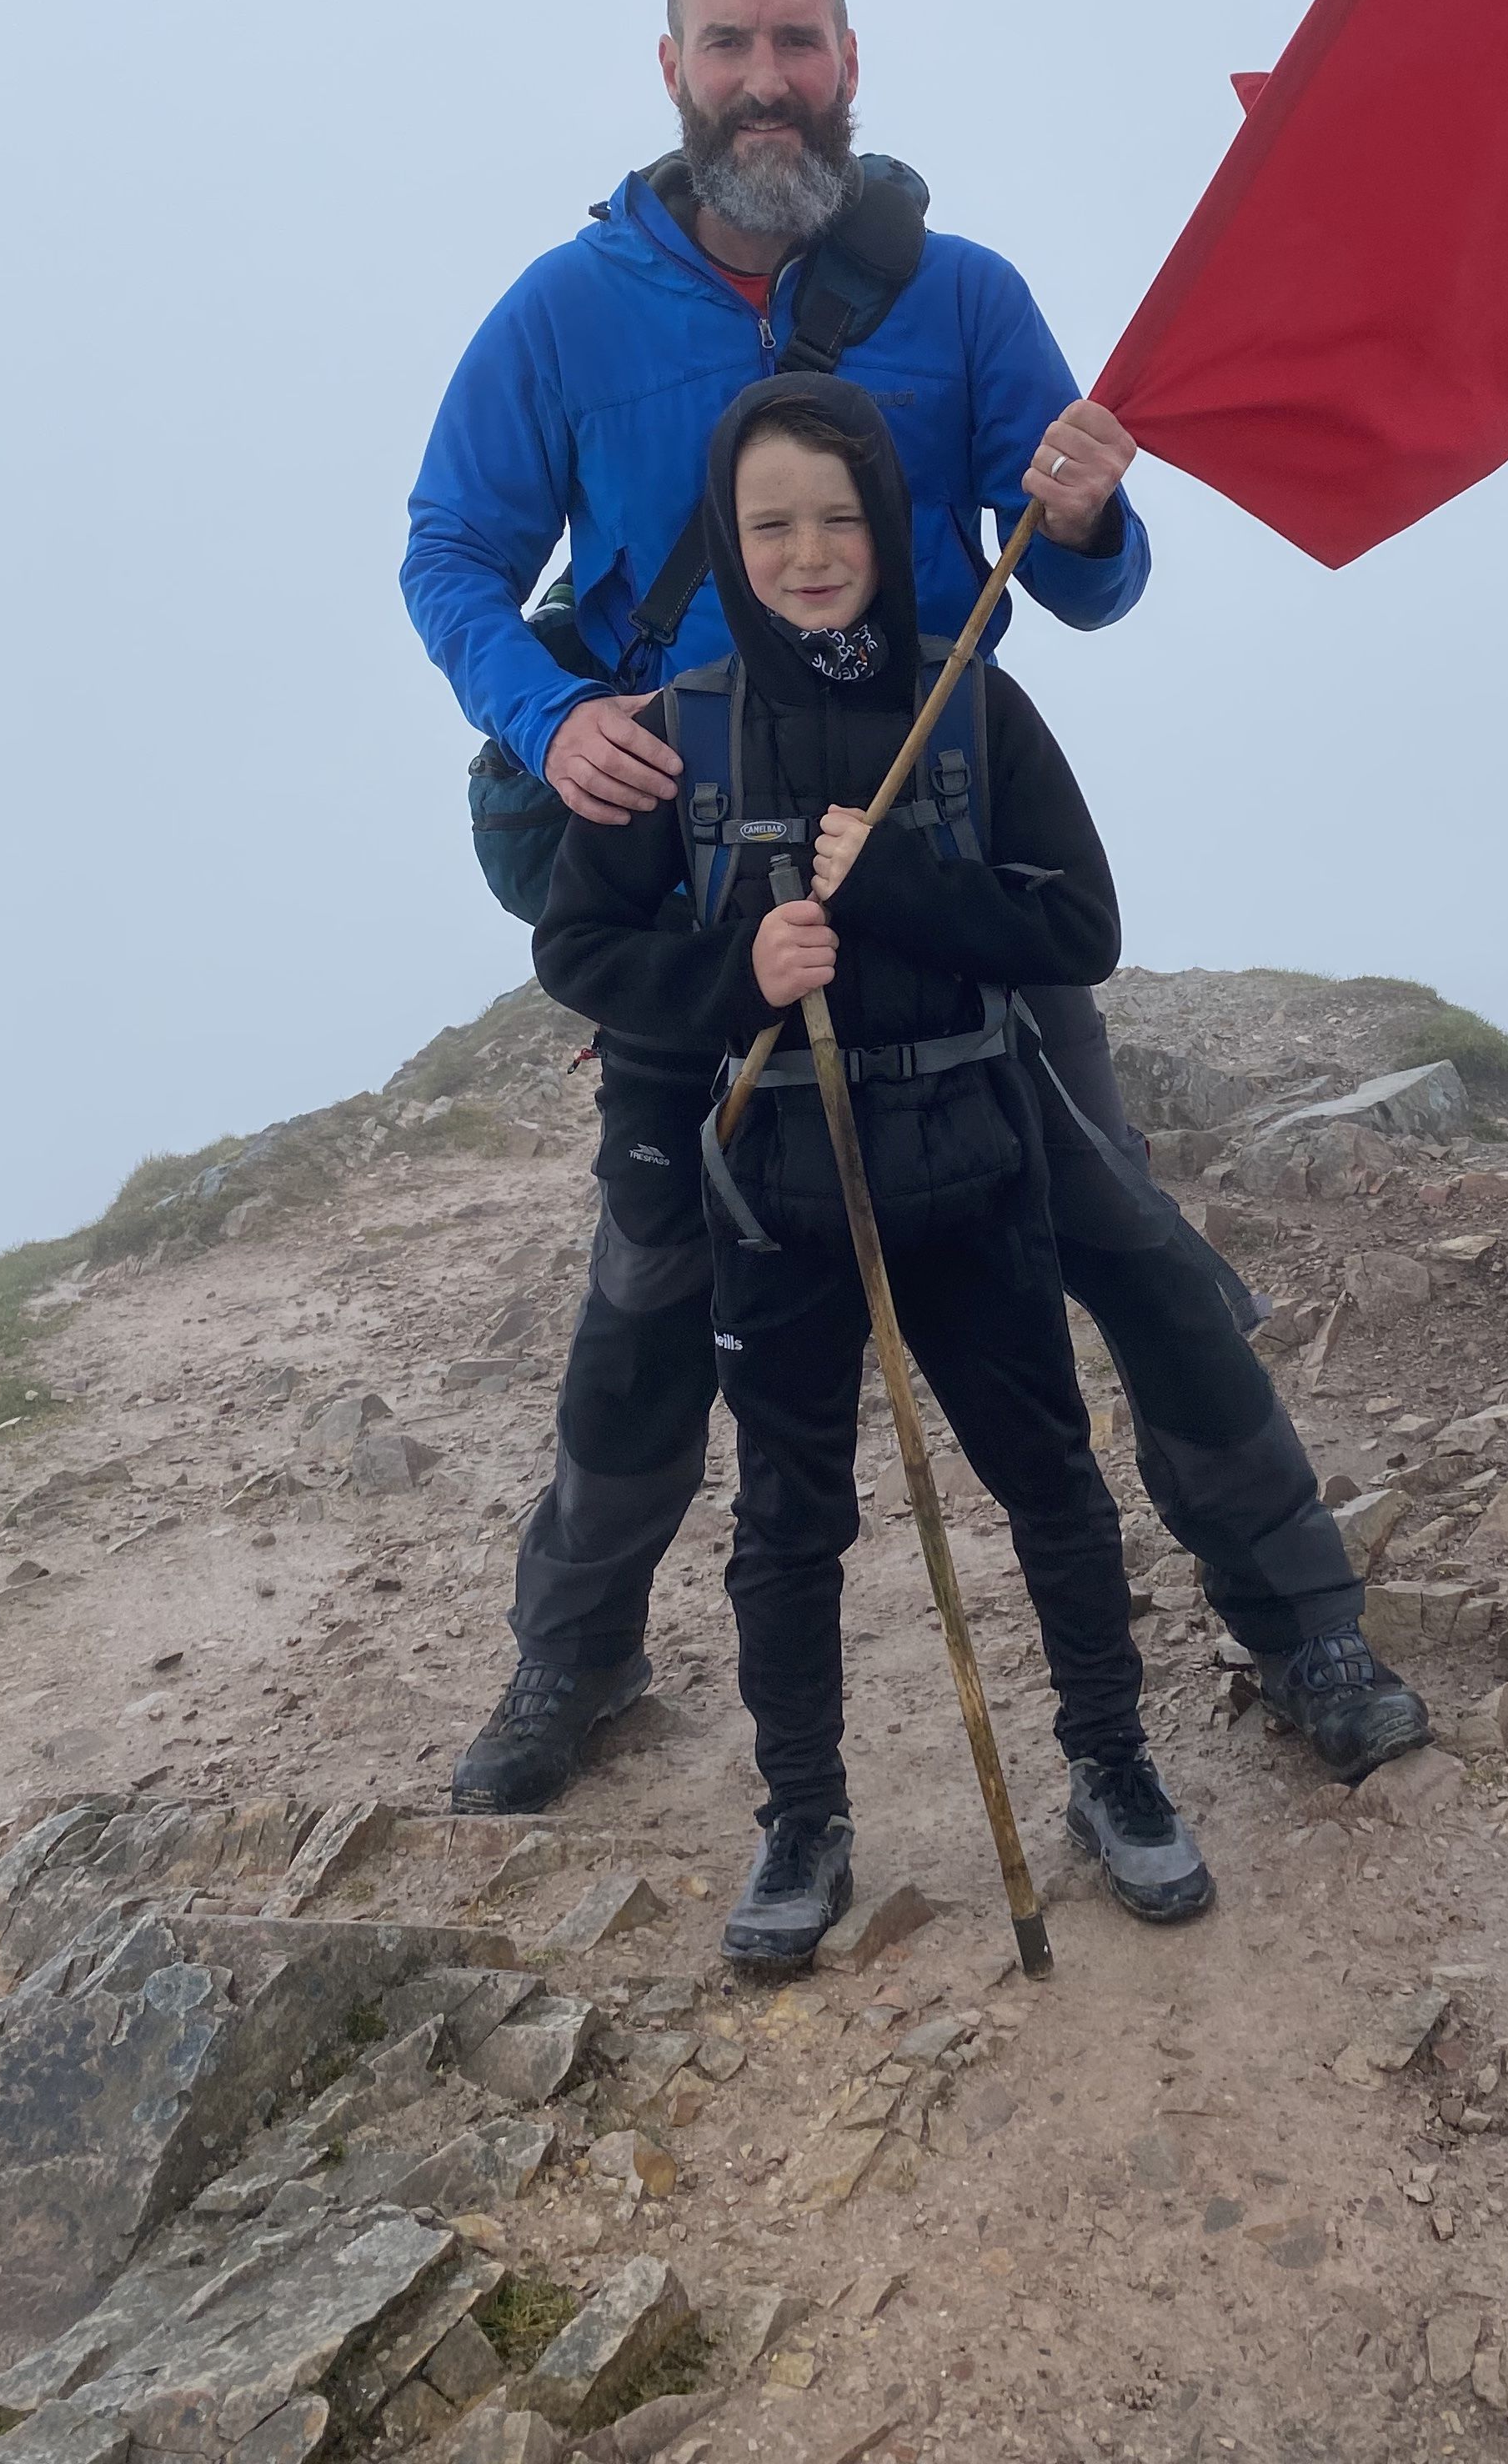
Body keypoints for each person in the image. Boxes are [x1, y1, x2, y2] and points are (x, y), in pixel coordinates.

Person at [403, 0, 1426, 1815]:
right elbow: (448, 552)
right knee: (649, 1304)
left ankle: (1305, 1630)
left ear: (851, 63)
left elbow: (1096, 578)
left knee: (1126, 1249)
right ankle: (575, 1664)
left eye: (801, 45)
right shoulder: (564, 315)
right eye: (732, 48)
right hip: (708, 903)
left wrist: (1097, 511)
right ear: (673, 71)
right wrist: (550, 722)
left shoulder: (962, 300)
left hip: (946, 859)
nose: (768, 85)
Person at [534, 375, 1215, 1956]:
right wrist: (733, 978)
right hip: (775, 1185)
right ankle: (803, 1818)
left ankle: (1112, 1773)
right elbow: (578, 947)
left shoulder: (967, 701)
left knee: (1048, 1477)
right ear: (729, 534)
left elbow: (1081, 932)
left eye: (839, 516)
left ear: (889, 523)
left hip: (976, 1158)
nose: (808, 550)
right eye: (770, 523)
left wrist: (898, 882)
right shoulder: (674, 732)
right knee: (788, 1517)